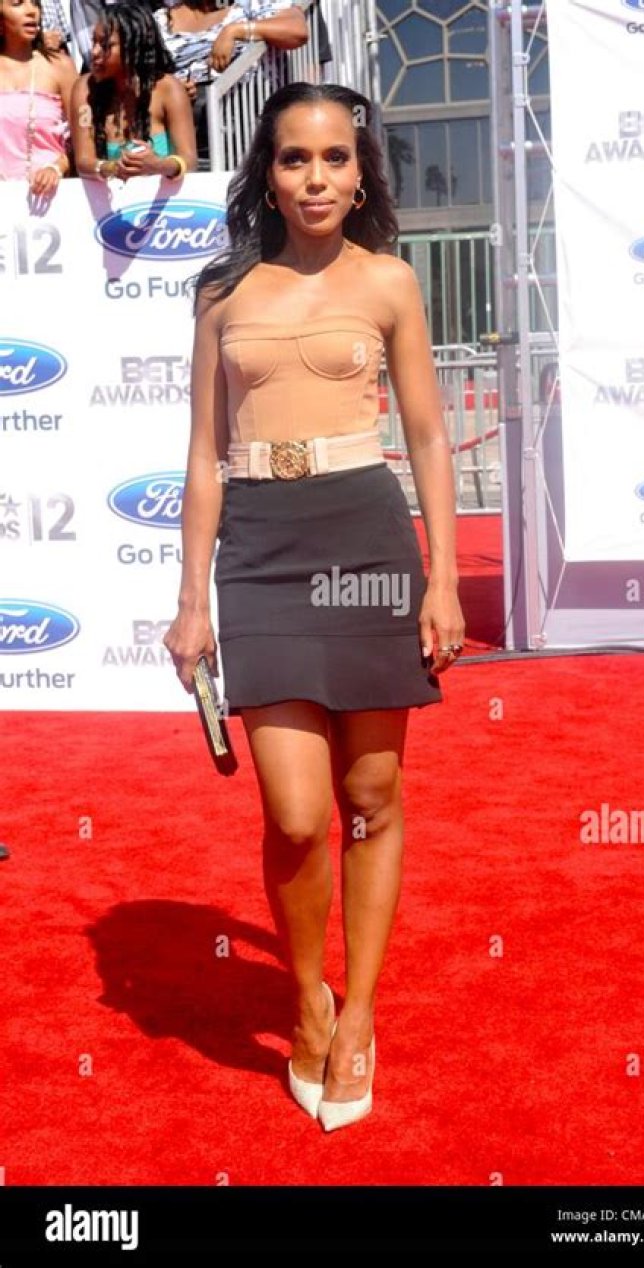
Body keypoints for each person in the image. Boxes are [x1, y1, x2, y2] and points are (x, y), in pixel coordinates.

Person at [163, 82, 464, 1131]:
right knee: (295, 813)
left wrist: (441, 578)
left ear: (361, 175)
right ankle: (306, 996)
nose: (317, 177)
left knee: (371, 793)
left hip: (367, 538)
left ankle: (359, 1012)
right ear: (269, 174)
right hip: (261, 547)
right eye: (296, 158)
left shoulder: (389, 281)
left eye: (337, 158)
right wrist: (190, 601)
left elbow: (428, 435)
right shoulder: (222, 292)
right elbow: (201, 456)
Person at [153, 1, 307, 167]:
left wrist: (235, 31)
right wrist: (175, 89)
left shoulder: (254, 4)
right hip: (185, 129)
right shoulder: (161, 21)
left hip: (248, 118)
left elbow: (297, 31)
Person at [70, 2, 197, 183]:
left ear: (133, 47)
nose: (95, 52)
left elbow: (189, 160)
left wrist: (158, 165)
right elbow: (83, 161)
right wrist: (111, 168)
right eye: (94, 42)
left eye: (105, 45)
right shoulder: (85, 89)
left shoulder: (169, 89)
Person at [0, 0, 76, 194]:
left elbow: (85, 139)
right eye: (18, 3)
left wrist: (57, 167)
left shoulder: (60, 67)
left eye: (35, 3)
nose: (32, 11)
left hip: (51, 197)